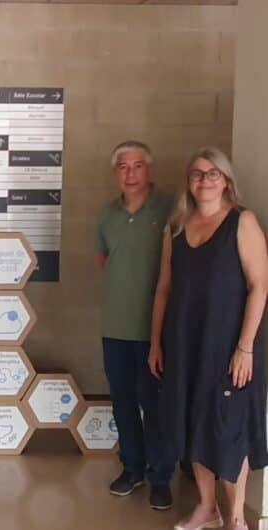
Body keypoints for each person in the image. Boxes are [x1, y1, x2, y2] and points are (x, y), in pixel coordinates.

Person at [149, 147, 268, 530]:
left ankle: (236, 517)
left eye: (213, 173)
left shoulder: (242, 222)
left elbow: (260, 286)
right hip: (185, 344)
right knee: (192, 423)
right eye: (197, 173)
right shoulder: (176, 226)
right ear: (189, 181)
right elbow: (164, 289)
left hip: (230, 345)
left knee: (229, 429)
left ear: (226, 180)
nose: (205, 180)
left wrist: (245, 347)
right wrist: (156, 342)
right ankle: (206, 507)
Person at [95, 140, 175, 510]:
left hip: (155, 330)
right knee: (123, 402)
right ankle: (132, 468)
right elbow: (104, 259)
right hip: (115, 327)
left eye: (138, 165)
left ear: (149, 169)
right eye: (123, 167)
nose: (131, 173)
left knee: (154, 405)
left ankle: (161, 476)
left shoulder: (171, 208)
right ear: (116, 172)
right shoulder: (107, 215)